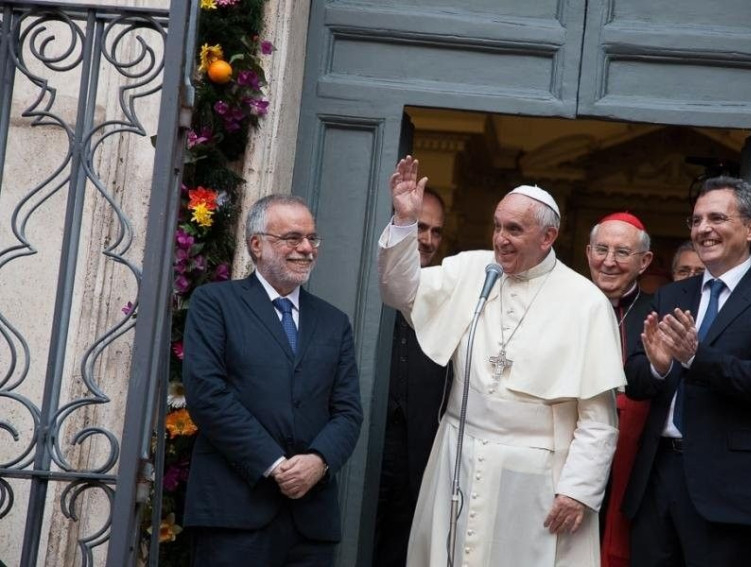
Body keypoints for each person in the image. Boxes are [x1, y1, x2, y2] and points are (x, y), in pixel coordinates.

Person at [378, 155, 625, 567]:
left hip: (533, 477)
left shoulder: (586, 303)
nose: (500, 239)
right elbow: (398, 291)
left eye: (514, 229)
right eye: (497, 226)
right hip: (458, 454)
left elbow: (599, 420)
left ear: (548, 237)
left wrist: (577, 490)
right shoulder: (472, 269)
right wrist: (405, 221)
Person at [623, 177, 751, 566]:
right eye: (696, 220)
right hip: (657, 477)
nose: (703, 229)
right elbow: (635, 379)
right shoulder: (672, 294)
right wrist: (658, 367)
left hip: (728, 488)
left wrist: (695, 358)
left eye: (716, 218)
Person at [182, 194, 363, 566]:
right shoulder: (215, 303)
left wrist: (319, 460)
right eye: (292, 238)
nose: (307, 248)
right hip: (235, 514)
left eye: (312, 238)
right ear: (256, 244)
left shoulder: (334, 322)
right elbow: (207, 395)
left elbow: (348, 412)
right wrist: (274, 463)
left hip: (310, 524)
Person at [373, 188, 453, 567]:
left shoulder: (449, 292)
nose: (428, 240)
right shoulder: (367, 280)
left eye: (436, 231)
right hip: (367, 445)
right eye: (421, 227)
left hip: (418, 452)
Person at [585, 212, 654, 567]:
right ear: (588, 253)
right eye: (601, 249)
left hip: (630, 456)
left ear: (644, 262)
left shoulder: (657, 311)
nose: (608, 261)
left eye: (622, 252)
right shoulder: (562, 303)